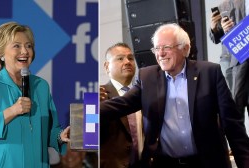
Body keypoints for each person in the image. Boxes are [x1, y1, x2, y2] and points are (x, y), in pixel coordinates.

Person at [100, 23, 249, 168]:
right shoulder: (148, 77)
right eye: (157, 48)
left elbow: (233, 126)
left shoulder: (209, 73)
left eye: (166, 47)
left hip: (206, 162)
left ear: (185, 49)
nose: (160, 53)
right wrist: (83, 109)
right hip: (165, 163)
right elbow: (121, 104)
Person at [0, 21, 70, 168]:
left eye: (28, 46)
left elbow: (49, 131)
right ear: (0, 53)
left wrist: (60, 137)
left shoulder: (41, 86)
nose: (25, 51)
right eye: (17, 46)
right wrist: (12, 111)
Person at [100, 42, 143, 167]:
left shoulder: (144, 95)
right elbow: (86, 139)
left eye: (130, 58)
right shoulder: (97, 95)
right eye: (120, 58)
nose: (127, 62)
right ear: (107, 66)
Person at [209, 0, 249, 125]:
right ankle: (239, 144)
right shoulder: (224, 6)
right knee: (234, 108)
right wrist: (215, 28)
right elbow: (216, 37)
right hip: (233, 63)